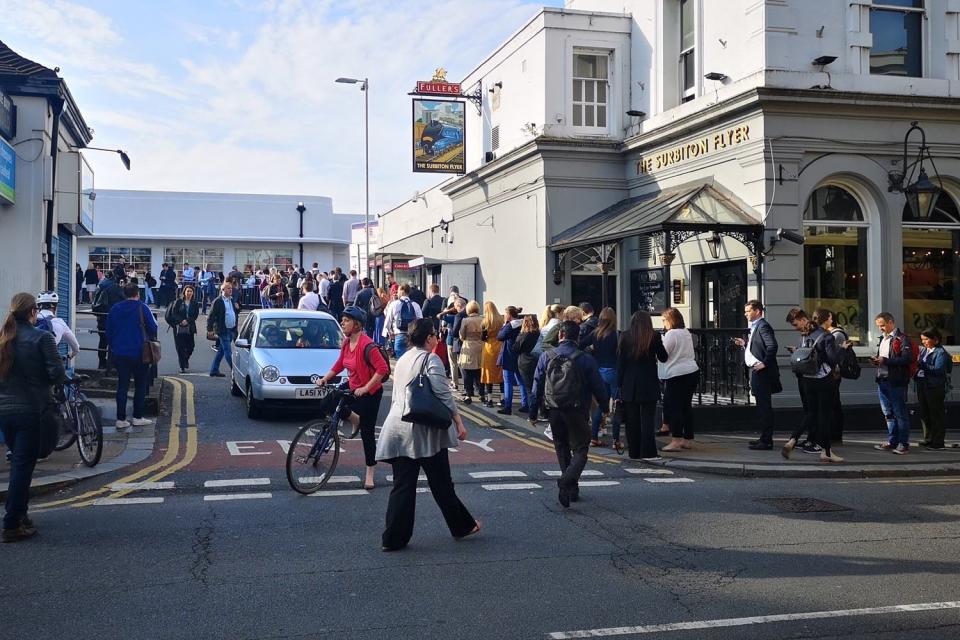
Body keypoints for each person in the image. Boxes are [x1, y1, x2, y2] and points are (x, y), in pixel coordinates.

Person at [375, 318, 479, 550]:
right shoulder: (431, 359)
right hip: (424, 431)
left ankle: (392, 539)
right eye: (434, 334)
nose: (437, 337)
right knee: (442, 483)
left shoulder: (402, 358)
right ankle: (462, 526)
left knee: (403, 485)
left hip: (398, 427)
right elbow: (444, 395)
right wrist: (459, 424)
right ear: (429, 338)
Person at [0, 292, 68, 542]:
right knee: (22, 467)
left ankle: (21, 515)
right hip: (31, 410)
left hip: (4, 413)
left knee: (18, 462)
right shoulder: (42, 337)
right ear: (33, 312)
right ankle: (11, 523)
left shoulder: (3, 338)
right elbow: (56, 374)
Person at [530, 320, 608, 508]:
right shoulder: (585, 358)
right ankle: (568, 482)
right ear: (578, 337)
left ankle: (569, 487)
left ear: (560, 335)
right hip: (578, 409)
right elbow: (598, 386)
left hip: (554, 409)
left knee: (562, 447)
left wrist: (533, 412)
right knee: (581, 449)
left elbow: (536, 385)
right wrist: (604, 407)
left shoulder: (546, 356)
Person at [316, 306, 389, 490]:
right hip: (354, 385)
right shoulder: (347, 343)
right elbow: (341, 363)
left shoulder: (367, 345)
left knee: (367, 433)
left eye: (346, 320)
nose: (342, 322)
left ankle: (370, 472)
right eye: (342, 319)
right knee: (327, 402)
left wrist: (366, 388)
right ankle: (354, 418)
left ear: (356, 324)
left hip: (371, 391)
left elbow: (383, 370)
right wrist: (325, 378)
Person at [780, 308, 844, 463]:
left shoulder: (804, 336)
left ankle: (792, 440)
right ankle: (826, 452)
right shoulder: (826, 336)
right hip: (824, 380)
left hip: (808, 380)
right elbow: (833, 360)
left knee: (811, 413)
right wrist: (843, 349)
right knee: (825, 417)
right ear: (826, 320)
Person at [106, 283, 157, 431]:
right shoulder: (142, 307)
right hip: (140, 352)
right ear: (138, 293)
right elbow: (153, 327)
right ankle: (137, 417)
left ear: (124, 294)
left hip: (120, 353)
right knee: (140, 385)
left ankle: (121, 419)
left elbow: (108, 331)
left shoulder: (115, 309)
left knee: (122, 386)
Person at [618, 311, 668, 460]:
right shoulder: (654, 336)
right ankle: (649, 452)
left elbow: (620, 364)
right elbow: (663, 357)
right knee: (648, 420)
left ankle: (634, 452)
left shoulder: (625, 336)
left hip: (629, 383)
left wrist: (619, 385)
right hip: (649, 382)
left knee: (631, 421)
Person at [734, 300, 782, 451]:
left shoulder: (763, 326)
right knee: (761, 406)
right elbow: (759, 346)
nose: (745, 314)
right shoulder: (756, 326)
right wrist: (745, 344)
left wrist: (765, 363)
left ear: (758, 311)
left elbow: (772, 346)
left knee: (764, 407)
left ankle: (767, 441)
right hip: (756, 371)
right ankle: (764, 438)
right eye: (745, 311)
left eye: (748, 311)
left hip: (762, 372)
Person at [658, 307, 699, 453]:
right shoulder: (685, 332)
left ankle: (676, 440)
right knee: (686, 407)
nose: (663, 324)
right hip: (692, 371)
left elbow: (663, 354)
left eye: (664, 320)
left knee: (674, 407)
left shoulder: (672, 334)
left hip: (676, 374)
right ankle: (687, 439)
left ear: (671, 320)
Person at [872, 312, 914, 454]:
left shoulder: (902, 339)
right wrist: (877, 360)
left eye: (882, 325)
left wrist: (885, 361)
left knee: (899, 413)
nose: (880, 328)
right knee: (888, 413)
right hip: (882, 380)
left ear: (891, 322)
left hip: (896, 381)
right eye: (878, 326)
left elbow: (907, 359)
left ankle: (903, 443)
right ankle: (892, 441)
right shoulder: (883, 339)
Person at [581, 307, 622, 451]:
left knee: (601, 405)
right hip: (613, 372)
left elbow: (580, 345)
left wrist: (590, 350)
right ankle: (616, 440)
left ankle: (594, 437)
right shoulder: (617, 335)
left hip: (599, 372)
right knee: (617, 405)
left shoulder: (595, 333)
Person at [814, 308, 848, 445]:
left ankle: (835, 435)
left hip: (833, 373)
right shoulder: (826, 334)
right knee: (831, 403)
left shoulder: (836, 335)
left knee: (834, 404)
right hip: (828, 373)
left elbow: (834, 357)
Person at [915, 327, 950, 450]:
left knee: (936, 414)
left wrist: (922, 365)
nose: (923, 342)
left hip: (934, 387)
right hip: (923, 384)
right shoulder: (925, 350)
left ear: (935, 340)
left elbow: (938, 370)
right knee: (925, 413)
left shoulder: (941, 353)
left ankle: (938, 442)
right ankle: (928, 438)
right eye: (922, 339)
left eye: (926, 339)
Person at [35, 291, 80, 370]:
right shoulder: (59, 322)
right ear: (55, 306)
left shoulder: (31, 320)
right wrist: (71, 354)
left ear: (39, 305)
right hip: (47, 366)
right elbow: (76, 346)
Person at [496, 306, 527, 416]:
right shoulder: (523, 324)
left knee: (508, 381)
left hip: (509, 355)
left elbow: (499, 337)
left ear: (509, 315)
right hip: (520, 355)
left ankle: (507, 406)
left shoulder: (510, 326)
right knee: (521, 381)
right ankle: (525, 404)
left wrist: (504, 324)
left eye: (505, 314)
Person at [207, 281, 241, 377]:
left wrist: (238, 308)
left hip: (231, 329)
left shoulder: (231, 300)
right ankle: (235, 371)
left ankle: (214, 370)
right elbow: (211, 316)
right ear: (222, 290)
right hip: (223, 329)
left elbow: (234, 312)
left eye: (231, 288)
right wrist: (209, 329)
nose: (231, 290)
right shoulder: (218, 301)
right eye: (228, 288)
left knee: (221, 351)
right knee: (228, 351)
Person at [514, 314, 543, 427]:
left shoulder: (524, 335)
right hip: (537, 361)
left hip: (525, 362)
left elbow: (515, 348)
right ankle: (543, 412)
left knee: (529, 389)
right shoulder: (539, 334)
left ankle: (532, 413)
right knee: (538, 386)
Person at [92, 272, 124, 370]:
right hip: (115, 320)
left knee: (103, 341)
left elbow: (95, 304)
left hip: (103, 319)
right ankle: (113, 364)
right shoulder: (118, 289)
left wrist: (98, 315)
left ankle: (102, 363)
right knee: (114, 343)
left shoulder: (101, 286)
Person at [383, 283, 423, 359]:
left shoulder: (394, 304)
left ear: (401, 292)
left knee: (401, 362)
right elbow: (420, 321)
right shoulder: (415, 305)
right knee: (411, 361)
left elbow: (388, 321)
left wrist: (388, 333)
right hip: (412, 337)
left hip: (399, 335)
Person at [168, 285, 200, 373]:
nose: (189, 293)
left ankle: (185, 359)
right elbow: (174, 313)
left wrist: (187, 321)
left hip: (190, 327)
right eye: (187, 291)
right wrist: (181, 320)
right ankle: (182, 366)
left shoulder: (195, 303)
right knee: (180, 348)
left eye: (191, 291)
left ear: (193, 293)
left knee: (191, 347)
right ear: (184, 292)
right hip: (179, 328)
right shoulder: (178, 302)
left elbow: (195, 315)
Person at [458, 301, 484, 405]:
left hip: (468, 346)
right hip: (480, 346)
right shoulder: (483, 319)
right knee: (479, 371)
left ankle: (468, 394)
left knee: (467, 372)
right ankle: (482, 393)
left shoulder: (465, 320)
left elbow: (461, 335)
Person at [480, 301, 505, 408]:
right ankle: (503, 398)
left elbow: (483, 337)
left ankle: (489, 399)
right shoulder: (501, 319)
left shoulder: (485, 321)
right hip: (499, 345)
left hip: (489, 347)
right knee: (500, 373)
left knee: (488, 373)